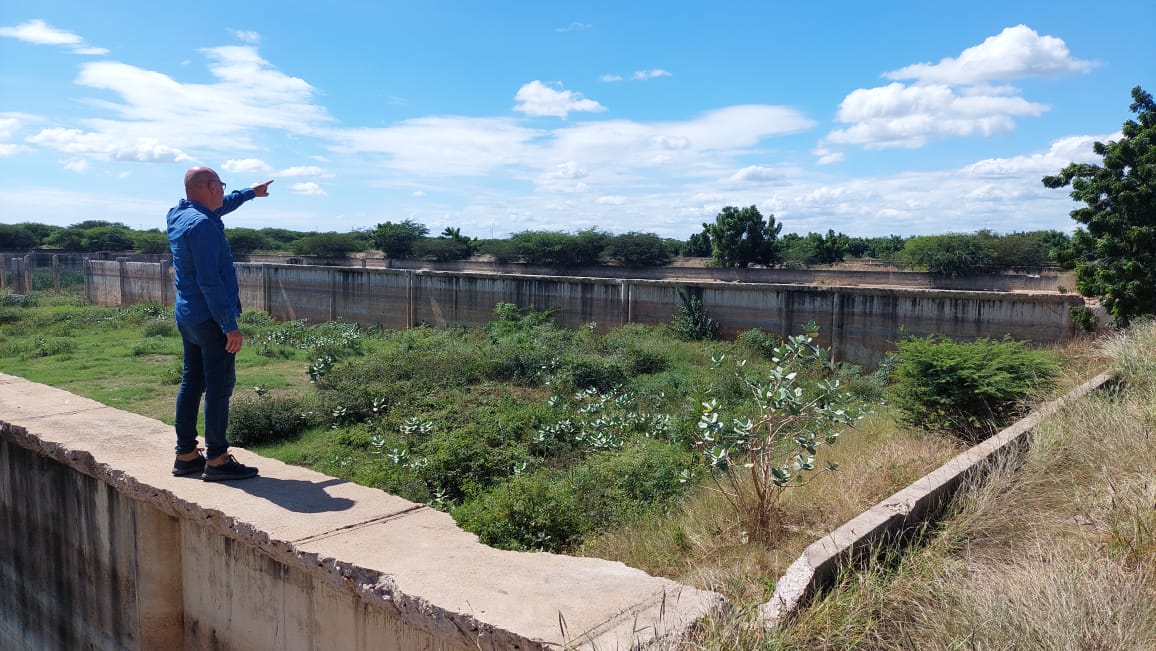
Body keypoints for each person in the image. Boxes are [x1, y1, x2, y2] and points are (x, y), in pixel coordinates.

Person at [167, 166, 273, 481]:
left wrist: (251, 192)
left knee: (192, 383)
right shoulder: (203, 226)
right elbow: (210, 282)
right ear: (212, 186)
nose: (223, 193)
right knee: (219, 388)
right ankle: (217, 458)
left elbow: (220, 207)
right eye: (221, 187)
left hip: (188, 316)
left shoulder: (179, 214)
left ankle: (186, 455)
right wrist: (230, 325)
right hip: (211, 320)